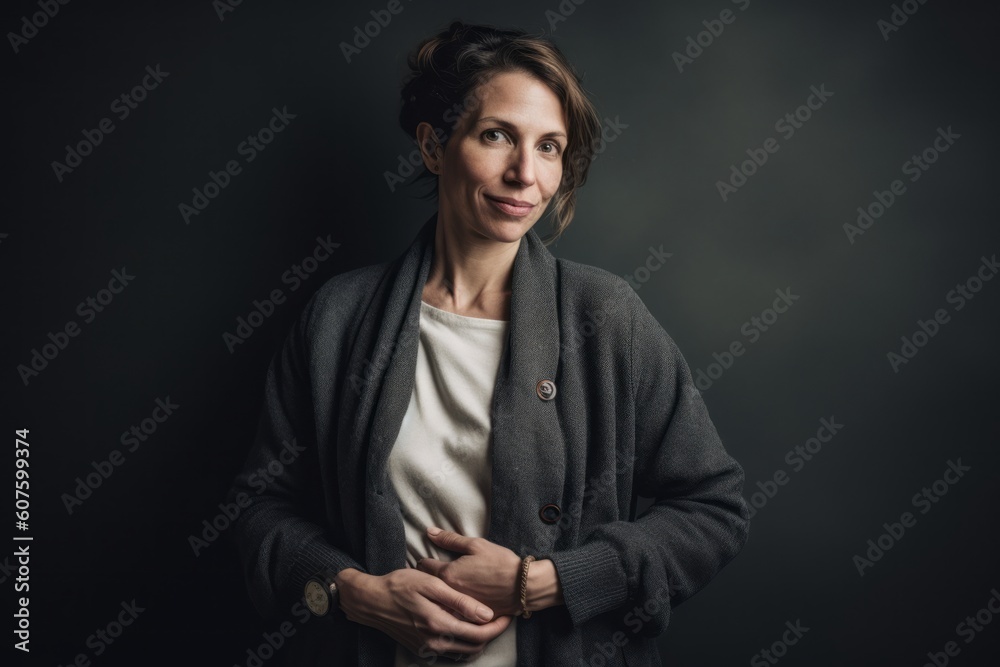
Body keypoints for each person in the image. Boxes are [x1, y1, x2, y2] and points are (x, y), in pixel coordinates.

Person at [227, 20, 750, 667]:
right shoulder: (339, 314)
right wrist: (355, 592)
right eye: (497, 135)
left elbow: (713, 509)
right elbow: (257, 509)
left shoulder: (606, 315)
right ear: (433, 144)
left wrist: (543, 582)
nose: (524, 173)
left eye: (551, 146)